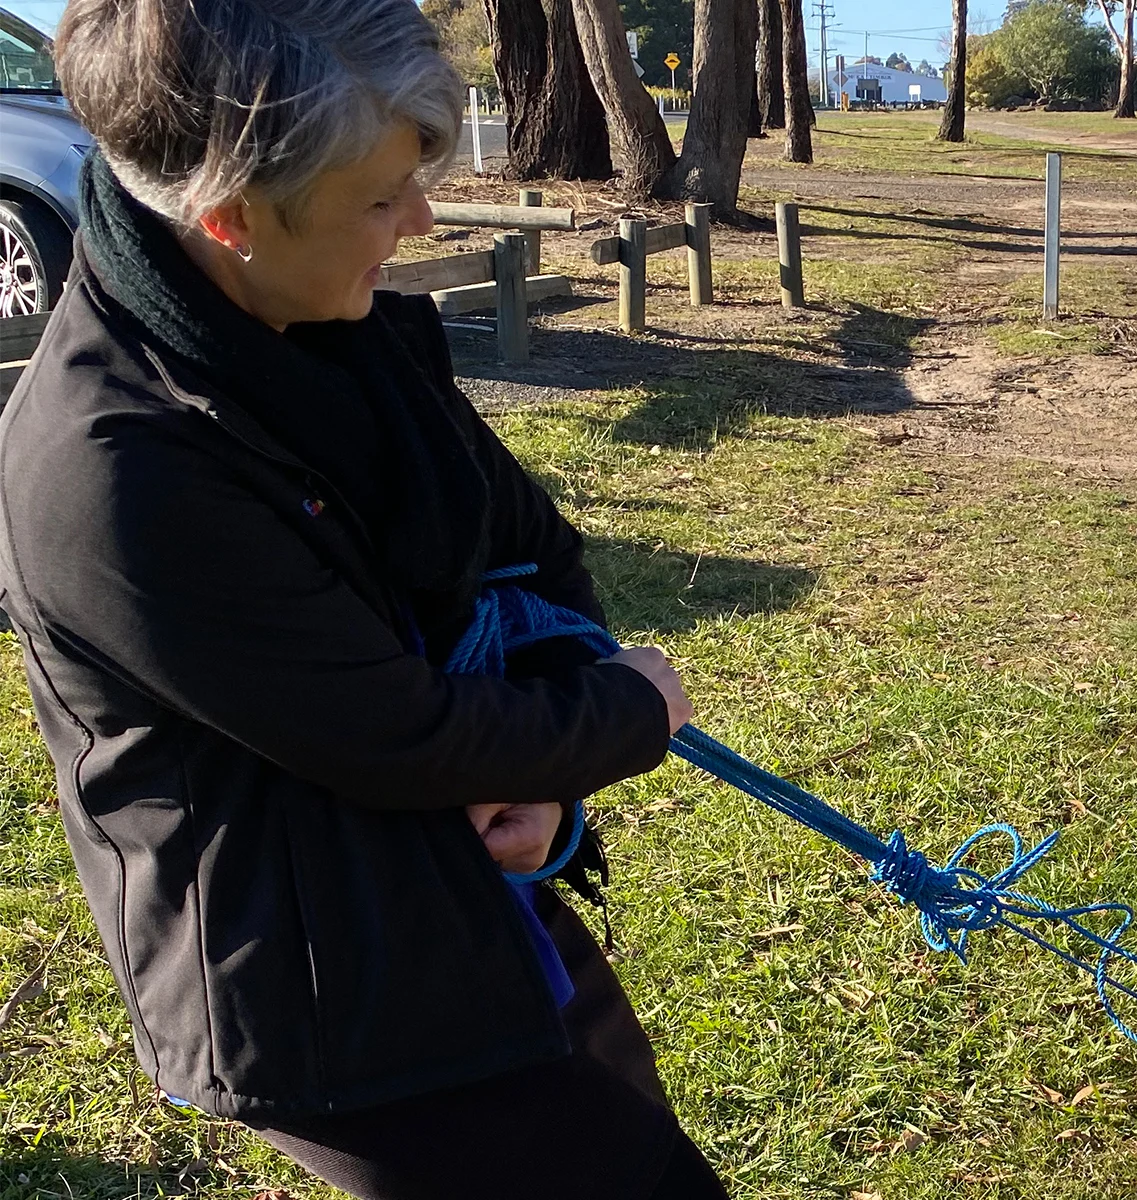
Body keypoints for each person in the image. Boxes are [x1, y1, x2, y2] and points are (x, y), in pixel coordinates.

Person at [0, 1, 723, 1195]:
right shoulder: (115, 471)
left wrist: (542, 768)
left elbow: (528, 546)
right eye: (383, 200)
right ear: (227, 215)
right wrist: (630, 711)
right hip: (330, 992)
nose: (423, 222)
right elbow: (394, 734)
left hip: (470, 894)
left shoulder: (338, 329)